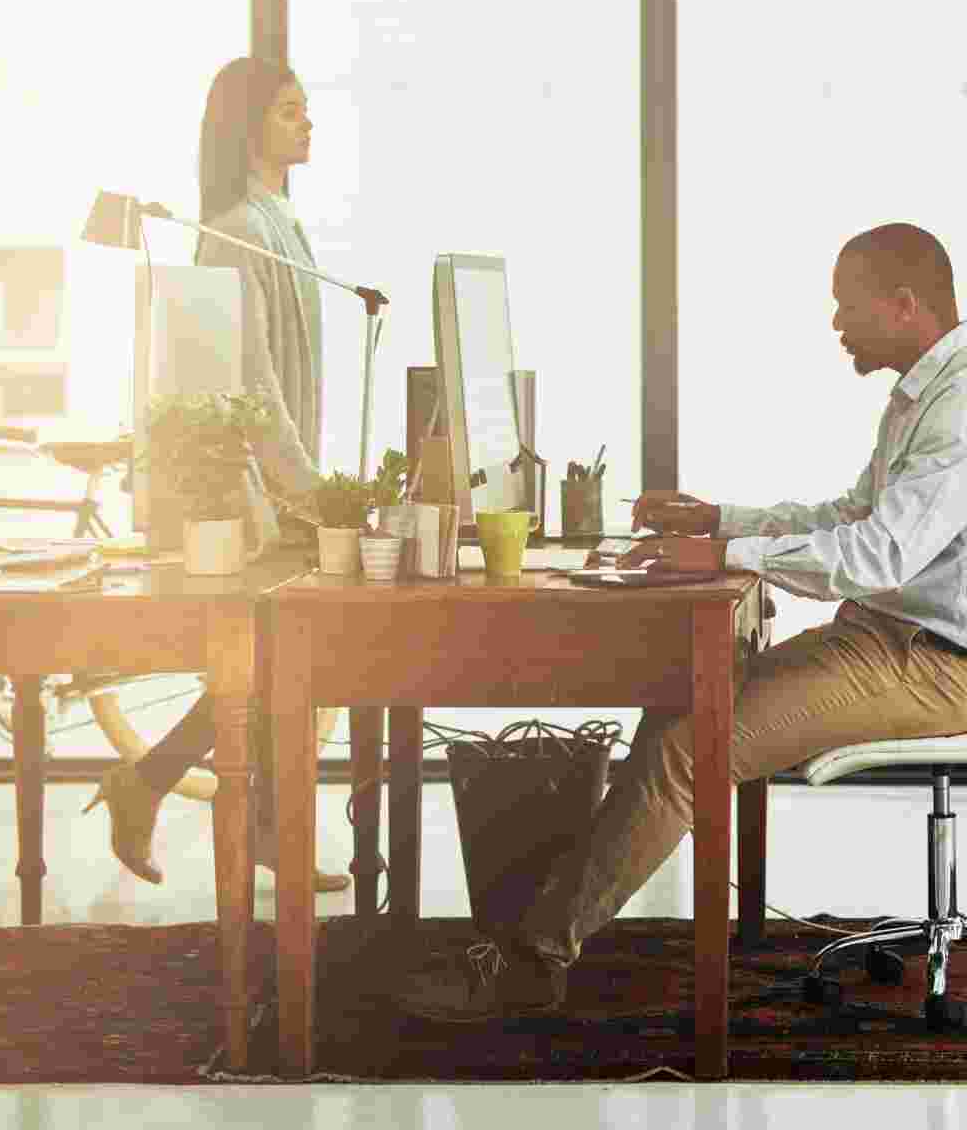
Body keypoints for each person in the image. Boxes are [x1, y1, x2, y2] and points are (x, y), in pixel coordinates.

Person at [400, 222, 967, 1020]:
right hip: (886, 636)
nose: (837, 325)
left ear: (905, 304)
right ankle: (551, 929)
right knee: (679, 704)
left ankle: (530, 963)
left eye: (848, 307)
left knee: (684, 751)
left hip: (938, 662)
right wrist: (720, 521)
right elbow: (849, 513)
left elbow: (879, 555)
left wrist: (727, 553)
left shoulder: (959, 402)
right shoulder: (922, 394)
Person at [85, 56, 350, 892]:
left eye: (306, 108)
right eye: (288, 111)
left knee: (276, 664)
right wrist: (304, 488)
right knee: (271, 662)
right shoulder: (236, 226)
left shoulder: (279, 221)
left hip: (284, 479)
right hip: (257, 490)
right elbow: (253, 375)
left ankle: (164, 787)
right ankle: (221, 810)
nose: (307, 122)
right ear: (247, 128)